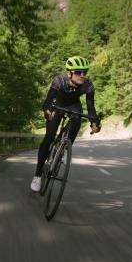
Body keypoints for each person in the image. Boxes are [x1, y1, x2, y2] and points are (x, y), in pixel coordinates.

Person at [30, 56, 101, 192]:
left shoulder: (88, 85)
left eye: (84, 72)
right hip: (58, 105)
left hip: (74, 106)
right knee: (49, 136)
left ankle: (64, 148)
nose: (82, 75)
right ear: (70, 73)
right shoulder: (59, 81)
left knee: (77, 120)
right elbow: (48, 100)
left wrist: (94, 122)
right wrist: (47, 111)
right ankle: (37, 175)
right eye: (78, 72)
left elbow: (91, 108)